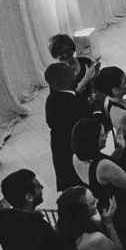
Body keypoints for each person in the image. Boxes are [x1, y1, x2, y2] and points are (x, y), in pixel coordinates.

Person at [46, 61, 87, 190]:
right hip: (73, 152)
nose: (75, 76)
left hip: (60, 149)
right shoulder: (71, 104)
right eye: (72, 75)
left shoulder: (52, 99)